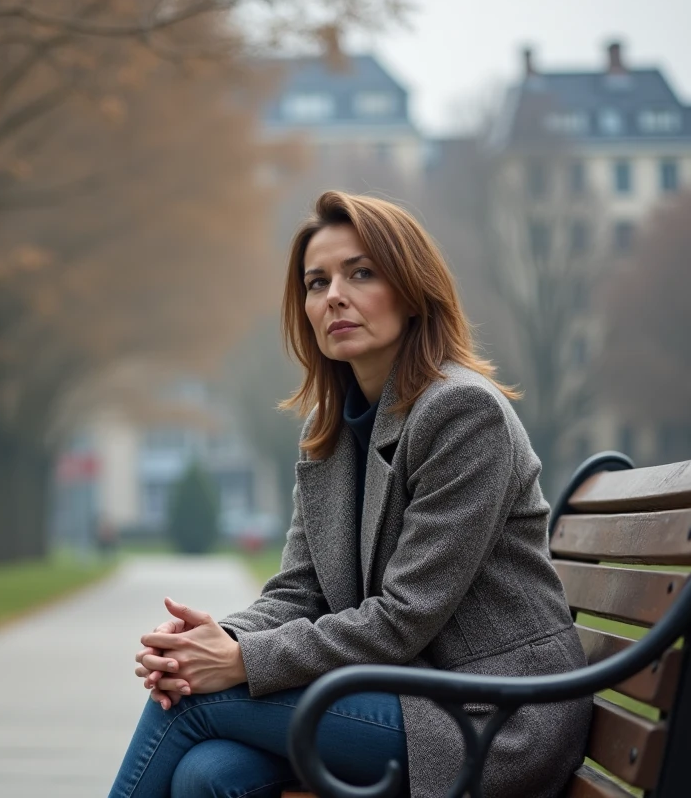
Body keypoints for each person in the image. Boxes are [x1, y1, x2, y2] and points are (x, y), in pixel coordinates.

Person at [107, 191, 591, 798]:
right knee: (209, 773)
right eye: (316, 282)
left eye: (361, 273)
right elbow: (299, 590)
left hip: (492, 714)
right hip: (407, 696)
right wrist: (216, 642)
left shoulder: (463, 414)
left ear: (413, 291)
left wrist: (239, 665)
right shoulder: (331, 432)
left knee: (189, 708)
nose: (333, 295)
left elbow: (402, 618)